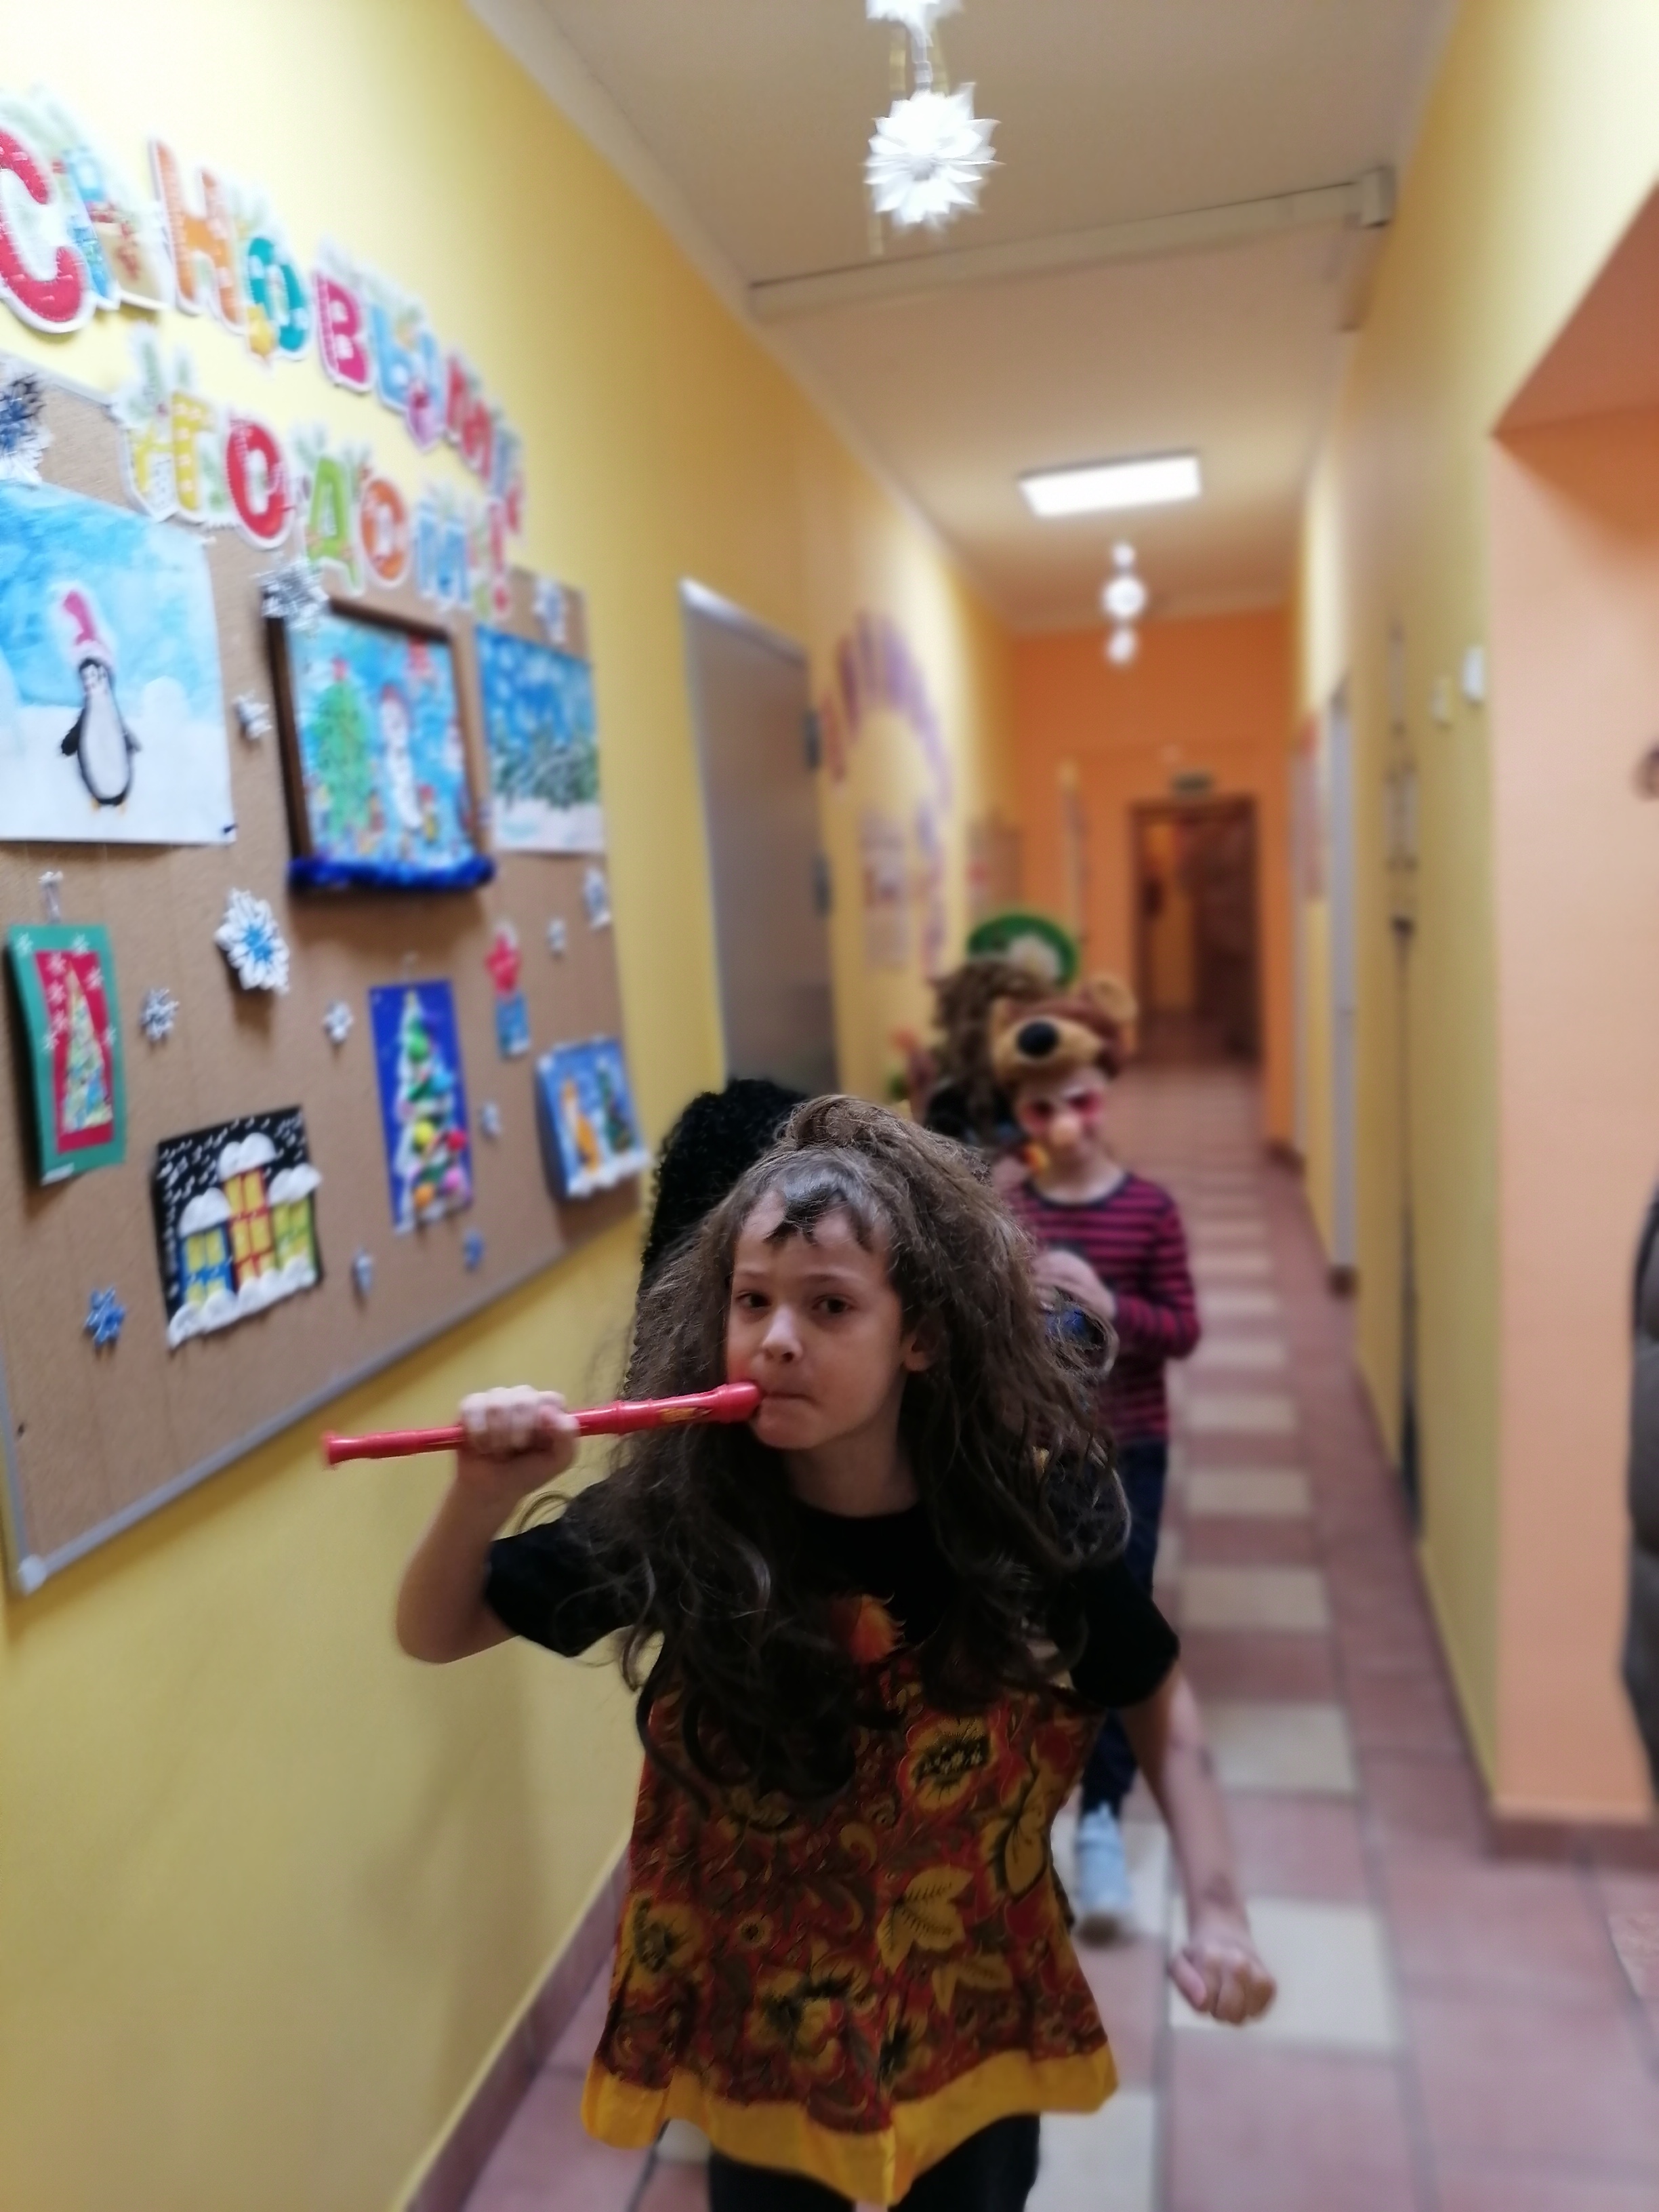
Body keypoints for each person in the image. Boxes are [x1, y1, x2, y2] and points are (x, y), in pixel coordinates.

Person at [396, 1098, 1270, 2209]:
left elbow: (1151, 1690)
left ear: (924, 1336)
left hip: (970, 1992)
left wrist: (1221, 1907)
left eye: (830, 1306)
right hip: (767, 2018)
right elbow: (437, 1629)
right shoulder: (682, 1512)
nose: (776, 1338)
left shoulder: (1021, 1512)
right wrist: (480, 1497)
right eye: (752, 1300)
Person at [994, 983, 1201, 1940]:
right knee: (1038, 1629)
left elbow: (1183, 1330)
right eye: (1042, 1109)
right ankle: (1023, 1810)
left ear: (1105, 1093)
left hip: (1131, 1449)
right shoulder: (1009, 1209)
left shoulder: (1149, 1211)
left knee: (1119, 1621)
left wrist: (1110, 1306)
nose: (1066, 1124)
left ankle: (1104, 1818)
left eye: (1080, 1100)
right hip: (1034, 1459)